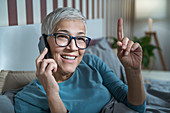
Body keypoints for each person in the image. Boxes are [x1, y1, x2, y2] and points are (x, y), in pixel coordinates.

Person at [14, 7, 146, 113]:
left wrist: (133, 70)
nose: (73, 47)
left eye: (80, 39)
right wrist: (52, 92)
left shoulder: (92, 63)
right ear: (44, 43)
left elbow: (137, 106)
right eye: (63, 37)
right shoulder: (27, 99)